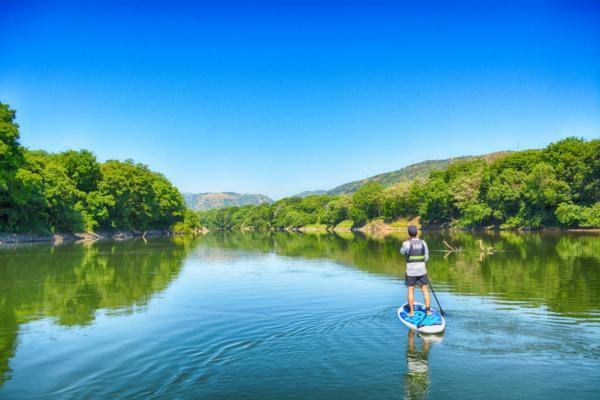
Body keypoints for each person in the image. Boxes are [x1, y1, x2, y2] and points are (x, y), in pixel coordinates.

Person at [400, 225, 430, 316]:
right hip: (422, 270)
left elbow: (402, 252)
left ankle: (411, 312)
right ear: (417, 233)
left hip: (411, 271)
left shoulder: (406, 243)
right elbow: (426, 257)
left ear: (409, 233)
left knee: (410, 291)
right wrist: (421, 264)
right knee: (425, 291)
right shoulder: (423, 242)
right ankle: (428, 312)